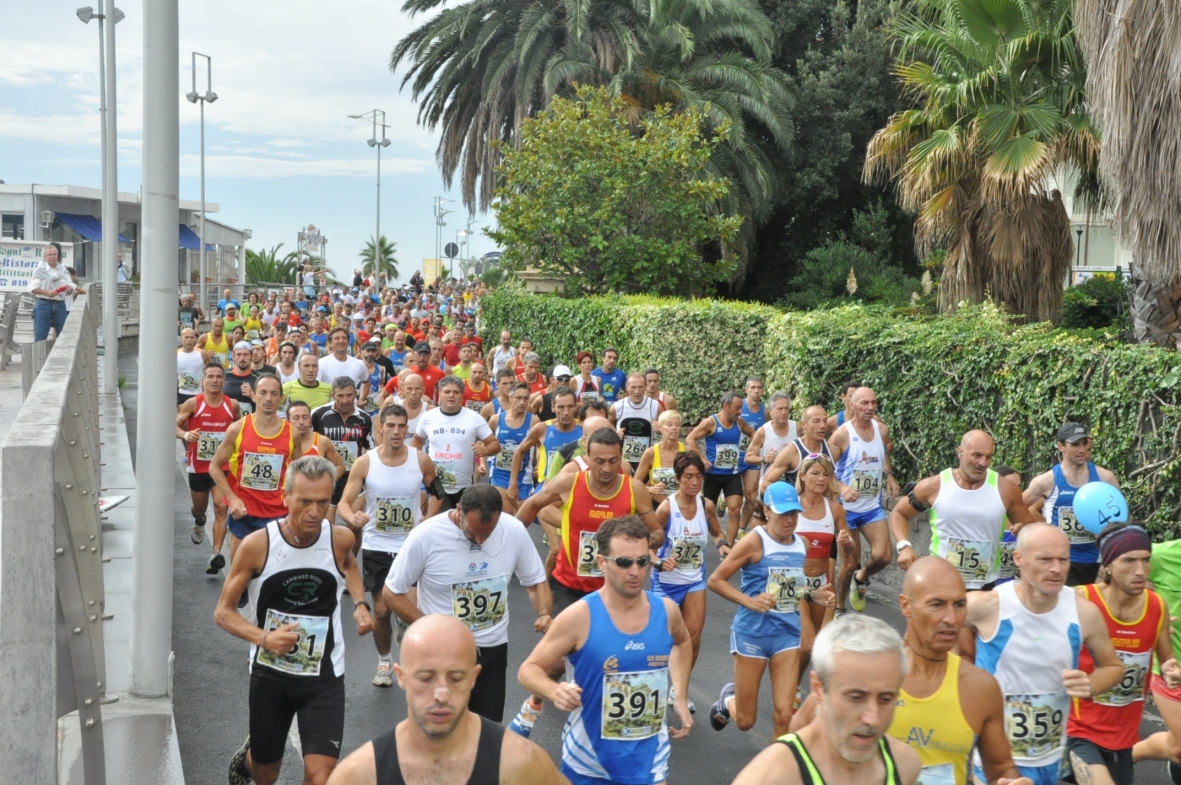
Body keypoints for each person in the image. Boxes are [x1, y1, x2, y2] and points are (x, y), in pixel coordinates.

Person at [793, 557, 1029, 785]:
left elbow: (1000, 768)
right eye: (937, 604)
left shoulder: (981, 687)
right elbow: (798, 738)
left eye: (959, 605)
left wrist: (1011, 781)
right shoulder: (864, 672)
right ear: (906, 605)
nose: (951, 618)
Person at [215, 456, 373, 785]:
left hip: (325, 675)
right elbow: (224, 612)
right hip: (272, 673)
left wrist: (359, 603)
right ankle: (250, 758)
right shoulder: (257, 546)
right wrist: (263, 639)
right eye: (304, 502)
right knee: (265, 774)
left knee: (321, 776)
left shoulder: (339, 538)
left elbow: (350, 564)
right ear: (285, 497)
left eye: (323, 502)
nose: (315, 512)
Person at [518, 515, 694, 785]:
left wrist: (680, 695)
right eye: (624, 562)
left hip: (650, 762)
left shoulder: (667, 611)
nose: (635, 571)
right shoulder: (579, 616)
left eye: (642, 561)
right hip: (589, 763)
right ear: (602, 562)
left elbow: (682, 643)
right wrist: (555, 691)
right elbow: (528, 670)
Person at [508, 429, 659, 737]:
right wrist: (507, 539)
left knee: (608, 655)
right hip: (567, 584)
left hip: (612, 590)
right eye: (599, 461)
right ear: (587, 458)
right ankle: (534, 703)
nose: (606, 469)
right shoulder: (569, 483)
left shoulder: (635, 490)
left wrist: (641, 544)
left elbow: (656, 531)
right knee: (557, 658)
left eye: (613, 461)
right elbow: (532, 505)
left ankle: (602, 719)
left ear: (622, 458)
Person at [326, 615, 568, 785]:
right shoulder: (360, 774)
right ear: (401, 677)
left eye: (455, 678)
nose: (441, 694)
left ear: (474, 678)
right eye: (425, 677)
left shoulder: (522, 764)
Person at [966, 523, 1123, 785]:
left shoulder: (1084, 613)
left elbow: (1113, 667)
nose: (1056, 568)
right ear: (1019, 559)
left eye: (1063, 559)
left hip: (1050, 760)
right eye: (1045, 559)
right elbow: (932, 622)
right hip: (993, 764)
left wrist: (1091, 684)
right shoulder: (989, 606)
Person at [384, 485, 551, 722]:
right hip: (442, 650)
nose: (480, 540)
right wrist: (430, 627)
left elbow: (535, 582)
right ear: (459, 510)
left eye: (488, 533)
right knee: (442, 726)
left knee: (487, 728)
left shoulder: (512, 529)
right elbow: (391, 593)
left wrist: (544, 612)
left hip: (492, 648)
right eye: (473, 533)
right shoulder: (426, 535)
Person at [728, 615, 922, 785]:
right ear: (818, 688)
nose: (873, 719)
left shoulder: (905, 765)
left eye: (886, 699)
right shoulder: (771, 776)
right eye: (855, 698)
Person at [708, 482, 833, 739]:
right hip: (752, 633)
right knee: (745, 720)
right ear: (767, 511)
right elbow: (715, 581)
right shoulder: (754, 542)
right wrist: (748, 601)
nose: (790, 520)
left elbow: (790, 584)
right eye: (783, 513)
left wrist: (811, 593)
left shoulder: (803, 544)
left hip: (787, 634)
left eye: (794, 513)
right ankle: (728, 701)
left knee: (784, 715)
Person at [1066, 523, 1181, 785]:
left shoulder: (1156, 606)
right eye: (1128, 560)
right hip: (1077, 729)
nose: (1140, 570)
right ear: (1107, 565)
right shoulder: (1079, 600)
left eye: (1146, 560)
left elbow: (1167, 661)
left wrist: (1172, 671)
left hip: (1122, 736)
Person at [337, 405, 438, 688]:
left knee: (412, 610)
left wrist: (428, 520)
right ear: (380, 427)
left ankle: (414, 664)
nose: (396, 431)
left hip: (412, 546)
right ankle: (384, 661)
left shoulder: (421, 460)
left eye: (401, 426)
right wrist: (351, 516)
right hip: (377, 546)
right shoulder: (365, 463)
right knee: (381, 611)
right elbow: (344, 502)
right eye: (390, 425)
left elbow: (438, 492)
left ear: (408, 428)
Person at [891, 430, 1041, 589]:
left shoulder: (1006, 489)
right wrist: (904, 546)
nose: (983, 463)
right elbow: (899, 513)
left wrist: (1022, 529)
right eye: (977, 455)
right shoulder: (934, 486)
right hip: (940, 582)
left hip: (985, 586)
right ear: (960, 452)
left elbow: (1031, 528)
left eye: (988, 457)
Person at [652, 453, 729, 708]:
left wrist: (723, 547)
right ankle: (655, 685)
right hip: (666, 582)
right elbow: (647, 546)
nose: (694, 482)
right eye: (688, 477)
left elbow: (717, 532)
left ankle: (679, 690)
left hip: (694, 580)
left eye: (698, 477)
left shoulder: (706, 506)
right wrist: (659, 562)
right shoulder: (666, 508)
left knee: (693, 637)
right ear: (677, 479)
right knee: (663, 639)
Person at [208, 374, 300, 565]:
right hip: (244, 512)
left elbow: (300, 474)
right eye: (263, 393)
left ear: (281, 399)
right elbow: (214, 467)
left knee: (272, 574)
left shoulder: (292, 433)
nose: (268, 398)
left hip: (278, 513)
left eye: (274, 394)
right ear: (254, 396)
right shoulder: (237, 429)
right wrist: (232, 499)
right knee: (239, 575)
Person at [1023, 423, 1121, 586]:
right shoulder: (1047, 481)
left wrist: (1111, 559)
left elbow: (1120, 520)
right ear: (1061, 446)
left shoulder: (1105, 478)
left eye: (1084, 443)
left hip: (1097, 560)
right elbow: (1016, 506)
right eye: (1075, 445)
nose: (1082, 449)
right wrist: (1035, 533)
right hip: (1062, 561)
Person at [829, 387, 899, 613]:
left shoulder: (882, 430)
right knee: (848, 564)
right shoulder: (842, 434)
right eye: (864, 403)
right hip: (845, 510)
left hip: (871, 507)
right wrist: (841, 486)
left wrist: (889, 475)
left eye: (874, 403)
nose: (870, 408)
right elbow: (824, 469)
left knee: (884, 556)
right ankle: (840, 607)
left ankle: (862, 578)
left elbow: (884, 453)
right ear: (852, 405)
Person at [176, 363, 240, 570]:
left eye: (219, 377)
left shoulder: (233, 405)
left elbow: (240, 428)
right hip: (199, 467)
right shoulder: (193, 404)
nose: (214, 380)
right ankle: (199, 521)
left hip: (223, 467)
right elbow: (174, 425)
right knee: (200, 509)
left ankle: (215, 554)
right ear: (203, 381)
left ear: (224, 380)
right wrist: (186, 434)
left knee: (222, 508)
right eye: (210, 376)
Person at [793, 454, 851, 665]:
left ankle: (794, 687)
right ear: (803, 475)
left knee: (812, 647)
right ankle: (790, 688)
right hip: (796, 582)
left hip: (821, 585)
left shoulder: (835, 509)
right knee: (807, 642)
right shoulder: (792, 505)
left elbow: (849, 547)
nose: (821, 479)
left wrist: (846, 543)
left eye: (826, 474)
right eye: (815, 473)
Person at [411, 376, 500, 512]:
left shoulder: (474, 417)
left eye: (456, 392)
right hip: (437, 483)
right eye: (447, 392)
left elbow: (495, 444)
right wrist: (412, 463)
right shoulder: (428, 417)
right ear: (440, 394)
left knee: (463, 526)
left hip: (464, 486)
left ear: (462, 395)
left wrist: (486, 451)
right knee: (439, 524)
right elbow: (417, 440)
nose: (451, 395)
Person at [687, 391, 755, 544]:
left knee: (735, 510)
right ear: (726, 406)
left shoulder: (740, 423)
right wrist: (702, 458)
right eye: (737, 408)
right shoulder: (711, 422)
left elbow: (755, 435)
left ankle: (728, 549)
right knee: (706, 511)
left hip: (732, 474)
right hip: (713, 474)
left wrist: (752, 450)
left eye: (741, 408)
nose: (740, 411)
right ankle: (707, 541)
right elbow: (690, 438)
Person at [312, 377, 374, 528]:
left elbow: (370, 448)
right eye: (340, 396)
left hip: (354, 479)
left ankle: (350, 553)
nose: (345, 400)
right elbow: (308, 441)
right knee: (326, 526)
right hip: (327, 477)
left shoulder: (364, 418)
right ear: (333, 396)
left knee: (354, 526)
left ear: (356, 395)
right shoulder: (318, 415)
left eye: (349, 395)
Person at [509, 387, 582, 506]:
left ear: (576, 407)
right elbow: (519, 451)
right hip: (547, 489)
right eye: (561, 407)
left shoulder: (585, 429)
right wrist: (513, 484)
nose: (566, 412)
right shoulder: (542, 429)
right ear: (553, 407)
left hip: (575, 490)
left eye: (570, 406)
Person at [761, 405, 831, 493]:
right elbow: (765, 485)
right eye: (816, 421)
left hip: (823, 504)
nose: (822, 426)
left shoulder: (833, 450)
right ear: (804, 425)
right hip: (798, 505)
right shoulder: (791, 452)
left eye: (825, 421)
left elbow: (835, 480)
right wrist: (789, 497)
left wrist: (842, 488)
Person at [488, 383, 535, 513]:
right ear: (510, 398)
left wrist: (538, 465)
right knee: (505, 517)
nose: (522, 402)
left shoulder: (534, 421)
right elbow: (486, 442)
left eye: (526, 398)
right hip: (500, 474)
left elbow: (540, 447)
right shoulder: (496, 420)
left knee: (519, 522)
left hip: (523, 476)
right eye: (518, 398)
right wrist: (482, 460)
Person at [744, 391, 797, 490]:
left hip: (793, 483)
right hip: (770, 483)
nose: (784, 412)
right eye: (780, 409)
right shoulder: (763, 431)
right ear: (771, 411)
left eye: (786, 408)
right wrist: (764, 459)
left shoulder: (796, 428)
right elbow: (748, 457)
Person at [610, 372, 662, 472]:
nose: (637, 391)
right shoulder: (618, 407)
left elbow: (666, 428)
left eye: (640, 387)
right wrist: (614, 433)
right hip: (623, 460)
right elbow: (604, 423)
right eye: (633, 387)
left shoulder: (655, 406)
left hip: (647, 459)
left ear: (645, 387)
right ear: (627, 388)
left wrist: (660, 429)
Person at [635, 409, 685, 505]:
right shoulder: (650, 452)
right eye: (669, 425)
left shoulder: (687, 451)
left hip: (681, 503)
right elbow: (635, 483)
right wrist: (650, 489)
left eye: (677, 425)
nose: (674, 428)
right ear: (661, 428)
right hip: (656, 503)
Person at [738, 377, 768, 533]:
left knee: (751, 495)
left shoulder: (766, 411)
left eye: (759, 387)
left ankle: (741, 529)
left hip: (753, 458)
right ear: (746, 390)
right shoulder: (738, 406)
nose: (756, 391)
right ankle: (722, 498)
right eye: (753, 387)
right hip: (736, 457)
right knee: (735, 497)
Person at [319, 328, 371, 402]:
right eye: (337, 338)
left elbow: (366, 382)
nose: (341, 341)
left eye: (344, 338)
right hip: (328, 409)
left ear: (348, 341)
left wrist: (361, 399)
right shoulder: (320, 363)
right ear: (330, 343)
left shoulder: (359, 364)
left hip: (351, 409)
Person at [222, 341, 261, 416]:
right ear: (233, 356)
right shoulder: (223, 375)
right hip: (226, 422)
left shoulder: (260, 378)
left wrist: (253, 395)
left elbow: (267, 403)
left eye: (246, 355)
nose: (242, 358)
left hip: (249, 423)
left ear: (251, 356)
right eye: (238, 355)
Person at [176, 328, 205, 407]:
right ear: (181, 338)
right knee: (182, 418)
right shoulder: (176, 354)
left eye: (192, 337)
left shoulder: (202, 353)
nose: (189, 340)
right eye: (186, 337)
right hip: (181, 393)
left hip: (198, 393)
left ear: (195, 339)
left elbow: (209, 370)